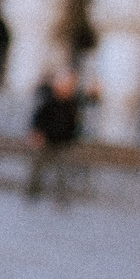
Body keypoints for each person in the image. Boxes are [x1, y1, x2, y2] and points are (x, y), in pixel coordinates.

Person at [25, 69, 84, 205]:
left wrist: (72, 138)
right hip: (47, 141)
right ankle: (32, 193)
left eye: (69, 87)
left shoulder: (72, 104)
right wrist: (37, 134)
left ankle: (61, 198)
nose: (66, 89)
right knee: (38, 169)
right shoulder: (50, 102)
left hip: (63, 143)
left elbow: (75, 124)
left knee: (62, 172)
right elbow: (39, 119)